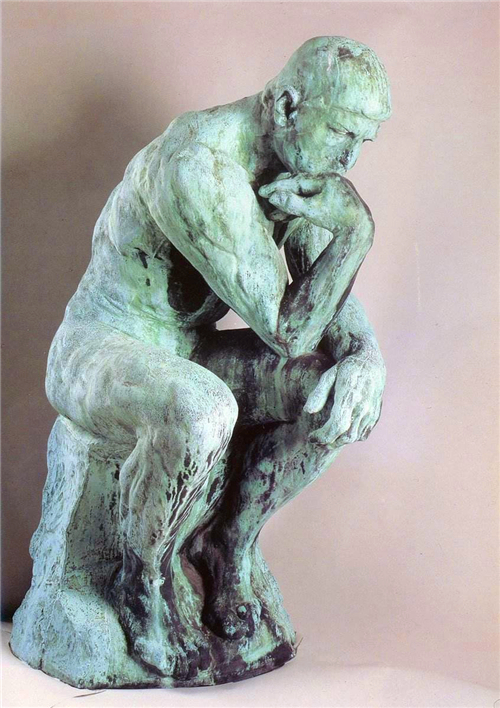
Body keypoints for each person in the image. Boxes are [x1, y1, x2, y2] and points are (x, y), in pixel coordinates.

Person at [45, 36, 392, 677]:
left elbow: (325, 305)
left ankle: (229, 544)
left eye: (362, 141)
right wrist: (357, 230)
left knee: (328, 389)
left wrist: (365, 358)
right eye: (342, 133)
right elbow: (289, 329)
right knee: (204, 410)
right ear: (286, 106)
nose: (349, 159)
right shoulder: (196, 164)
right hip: (103, 347)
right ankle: (140, 582)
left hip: (188, 351)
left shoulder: (295, 166)